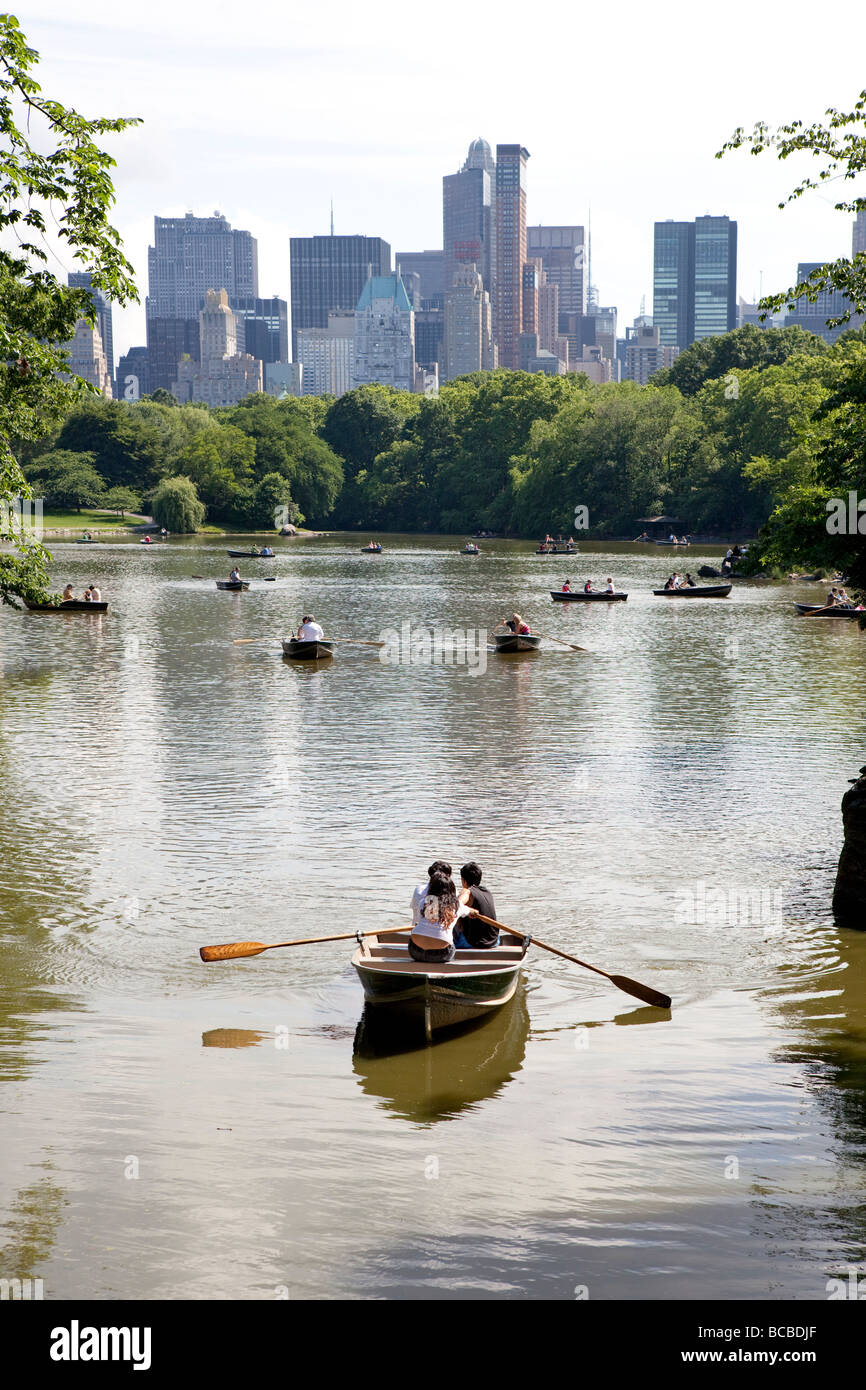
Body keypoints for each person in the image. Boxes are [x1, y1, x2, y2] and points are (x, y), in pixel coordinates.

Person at [409, 870, 466, 964]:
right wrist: (474, 912)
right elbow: (469, 911)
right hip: (441, 955)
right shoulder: (456, 905)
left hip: (415, 951)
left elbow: (421, 921)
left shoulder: (423, 902)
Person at [454, 862, 499, 950]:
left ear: (463, 880)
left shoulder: (467, 891)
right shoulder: (487, 892)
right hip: (494, 941)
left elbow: (456, 906)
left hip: (473, 943)